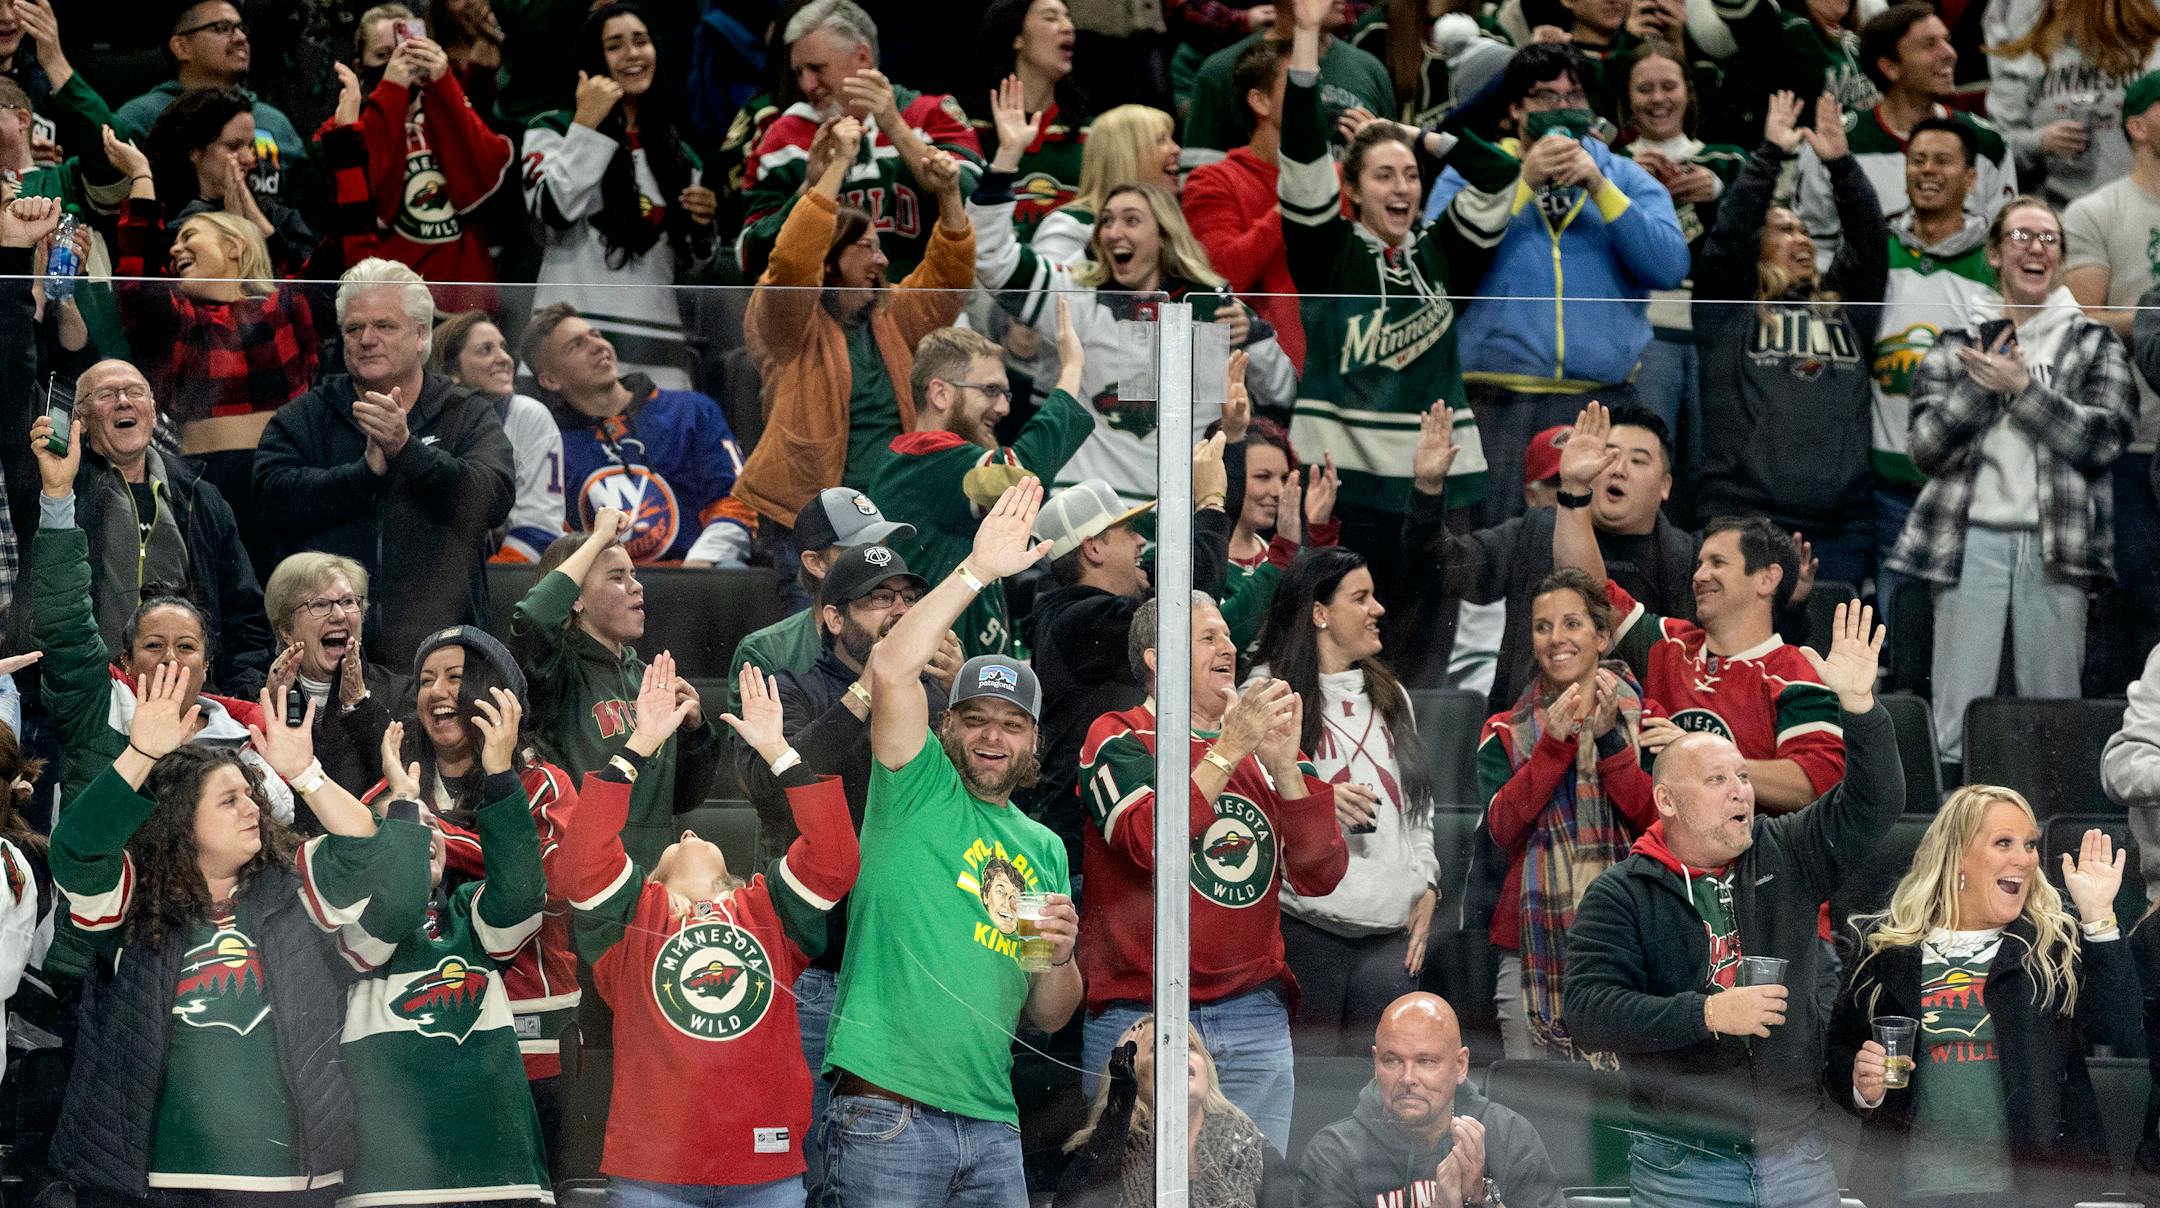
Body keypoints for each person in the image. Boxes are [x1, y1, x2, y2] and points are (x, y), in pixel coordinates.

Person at [46, 662, 430, 1208]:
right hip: (164, 1182)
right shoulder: (136, 902)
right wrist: (140, 756)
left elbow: (377, 858)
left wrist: (307, 775)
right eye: (229, 800)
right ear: (180, 820)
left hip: (290, 1182)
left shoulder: (296, 889)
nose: (253, 807)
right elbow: (75, 851)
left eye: (249, 795)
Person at [1564, 603, 1899, 1208]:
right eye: (1717, 780)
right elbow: (1589, 1011)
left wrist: (1860, 709)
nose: (1741, 790)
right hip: (1682, 1168)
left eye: (1742, 776)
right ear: (1666, 799)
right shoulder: (1622, 893)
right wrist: (1708, 1015)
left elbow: (1874, 806)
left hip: (1795, 1160)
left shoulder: (1788, 851)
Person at [816, 479, 1079, 1205]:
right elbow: (893, 666)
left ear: (1033, 745)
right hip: (888, 1114)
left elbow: (1050, 1012)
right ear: (947, 728)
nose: (992, 735)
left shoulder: (1042, 847)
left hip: (993, 1124)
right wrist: (979, 570)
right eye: (976, 718)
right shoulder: (916, 784)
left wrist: (1059, 956)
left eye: (1012, 724)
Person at [561, 657, 860, 1207]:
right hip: (654, 1172)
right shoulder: (632, 917)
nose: (690, 828)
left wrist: (779, 751)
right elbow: (580, 863)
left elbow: (837, 859)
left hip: (763, 1169)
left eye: (695, 832)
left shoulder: (769, 908)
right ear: (649, 875)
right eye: (677, 837)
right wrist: (639, 746)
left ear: (734, 875)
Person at [1076, 594, 1347, 1150]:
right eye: (1207, 638)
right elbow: (1150, 841)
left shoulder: (1261, 744)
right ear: (1156, 658)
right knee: (1132, 1190)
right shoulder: (1118, 736)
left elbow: (1322, 874)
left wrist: (1285, 769)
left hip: (1252, 1015)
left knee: (1251, 1190)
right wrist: (1229, 747)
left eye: (1227, 636)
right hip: (1141, 1013)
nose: (1228, 648)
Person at [1884, 195, 2134, 772]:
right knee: (1956, 716)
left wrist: (2024, 391)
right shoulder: (1956, 344)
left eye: (2049, 238)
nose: (2035, 248)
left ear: (2063, 258)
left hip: (2057, 548)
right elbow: (1924, 449)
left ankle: (2051, 843)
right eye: (2021, 236)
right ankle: (1951, 836)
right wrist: (1983, 387)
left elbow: (2106, 440)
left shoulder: (2090, 342)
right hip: (1968, 542)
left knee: (2054, 717)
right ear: (1995, 253)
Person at [1279, 0, 1520, 563]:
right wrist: (1308, 39)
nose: (1402, 188)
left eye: (1410, 176)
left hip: (1438, 481)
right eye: (1384, 175)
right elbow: (1301, 151)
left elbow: (1500, 174)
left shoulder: (1442, 252)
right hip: (1345, 483)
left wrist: (1413, 136)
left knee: (1428, 641)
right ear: (1354, 191)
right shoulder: (1329, 252)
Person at [1830, 791, 2139, 1207]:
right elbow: (1838, 1057)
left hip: (2034, 1192)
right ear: (1957, 856)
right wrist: (1861, 1085)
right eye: (2003, 843)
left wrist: (2099, 918)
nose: (2025, 859)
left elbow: (2117, 1028)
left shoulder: (2049, 947)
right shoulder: (1884, 952)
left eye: (2029, 844)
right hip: (1909, 1191)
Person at [1430, 41, 1691, 530]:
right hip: (1495, 401)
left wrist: (1599, 186)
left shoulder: (1623, 177)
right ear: (1515, 109)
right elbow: (1440, 260)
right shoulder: (1470, 170)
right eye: (1546, 98)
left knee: (1598, 556)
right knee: (1496, 548)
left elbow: (1669, 265)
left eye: (1573, 98)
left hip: (1603, 401)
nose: (1563, 110)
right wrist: (1522, 182)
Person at [322, 692, 553, 1208]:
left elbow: (521, 895)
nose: (422, 835)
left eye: (429, 823)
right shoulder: (347, 925)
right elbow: (393, 909)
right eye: (402, 826)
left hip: (502, 1176)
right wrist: (400, 805)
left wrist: (499, 777)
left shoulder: (469, 913)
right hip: (389, 1187)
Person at [1556, 406, 1845, 813]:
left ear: (1767, 579)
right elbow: (1585, 595)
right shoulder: (1670, 643)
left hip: (1754, 864)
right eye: (1701, 563)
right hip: (1659, 856)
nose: (1700, 575)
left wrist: (1693, 753)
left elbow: (1814, 783)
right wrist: (1573, 492)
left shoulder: (1795, 671)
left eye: (1718, 564)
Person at [252, 258, 515, 669]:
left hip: (442, 658)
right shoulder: (303, 417)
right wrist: (363, 475)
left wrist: (407, 450)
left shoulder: (467, 413)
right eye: (354, 328)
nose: (366, 339)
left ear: (420, 334)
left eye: (384, 326)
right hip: (327, 658)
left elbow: (492, 497)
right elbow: (271, 498)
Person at [973, 165, 1295, 498]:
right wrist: (1003, 167)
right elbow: (991, 258)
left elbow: (1282, 391)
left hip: (1179, 513)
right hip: (1088, 508)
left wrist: (1255, 336)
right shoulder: (1079, 294)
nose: (1113, 232)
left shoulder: (1214, 307)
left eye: (1131, 220)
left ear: (1164, 234)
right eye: (1107, 221)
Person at [27, 410, 290, 815]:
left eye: (186, 646)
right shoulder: (95, 708)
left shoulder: (249, 740)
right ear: (126, 662)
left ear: (207, 667)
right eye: (153, 645)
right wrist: (58, 493)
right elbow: (63, 619)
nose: (170, 657)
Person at [737, 112, 973, 524]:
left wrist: (950, 194)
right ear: (830, 260)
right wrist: (835, 168)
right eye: (867, 246)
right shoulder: (787, 323)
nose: (881, 260)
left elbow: (947, 280)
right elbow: (793, 259)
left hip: (893, 510)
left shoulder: (889, 312)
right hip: (811, 521)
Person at [1247, 547, 1437, 1057]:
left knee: (1381, 1102)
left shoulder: (1392, 693)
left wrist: (1429, 883)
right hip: (1307, 935)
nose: (1378, 608)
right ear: (1319, 613)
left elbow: (1419, 812)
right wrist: (1318, 802)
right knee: (1310, 1098)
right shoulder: (1266, 691)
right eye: (1361, 597)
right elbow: (1242, 806)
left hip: (1391, 942)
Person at [1694, 90, 1888, 587]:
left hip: (1841, 526)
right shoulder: (1727, 307)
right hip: (1744, 519)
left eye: (1804, 230)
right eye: (1783, 230)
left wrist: (1841, 164)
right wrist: (1769, 156)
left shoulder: (1843, 307)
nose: (1801, 239)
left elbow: (1868, 240)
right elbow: (1732, 234)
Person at [1407, 401, 1700, 713]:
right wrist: (1428, 488)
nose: (1619, 469)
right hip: (1531, 730)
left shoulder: (1689, 559)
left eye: (1638, 461)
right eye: (1609, 455)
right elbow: (1439, 568)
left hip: (1645, 731)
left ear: (1665, 486)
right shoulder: (1536, 532)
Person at [1023, 448, 1233, 867]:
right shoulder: (1081, 618)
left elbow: (1171, 583)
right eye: (1127, 531)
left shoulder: (1075, 614)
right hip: (1090, 856)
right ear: (1093, 549)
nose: (1141, 541)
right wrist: (1210, 504)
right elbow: (1185, 606)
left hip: (1115, 841)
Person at [1477, 568, 1654, 1061]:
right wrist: (1553, 747)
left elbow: (1658, 822)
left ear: (1601, 636)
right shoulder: (1504, 731)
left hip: (1631, 939)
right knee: (1533, 1114)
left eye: (1572, 624)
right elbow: (1502, 827)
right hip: (1531, 949)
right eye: (1542, 627)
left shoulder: (1650, 717)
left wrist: (1612, 742)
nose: (1556, 639)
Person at [21, 357, 274, 699]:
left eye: (135, 392)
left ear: (153, 413)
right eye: (107, 394)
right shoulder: (55, 488)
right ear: (79, 419)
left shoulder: (200, 496)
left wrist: (237, 697)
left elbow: (245, 617)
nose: (124, 401)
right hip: (88, 704)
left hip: (191, 703)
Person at [102, 126, 318, 517]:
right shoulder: (182, 321)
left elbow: (328, 268)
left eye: (189, 235)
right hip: (199, 483)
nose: (175, 248)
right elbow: (139, 282)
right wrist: (140, 176)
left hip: (284, 477)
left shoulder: (284, 306)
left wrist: (251, 217)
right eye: (173, 243)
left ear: (235, 246)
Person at [867, 315, 1095, 657]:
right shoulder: (926, 460)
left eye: (1005, 393)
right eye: (990, 391)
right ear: (940, 393)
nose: (1004, 407)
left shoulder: (925, 462)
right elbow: (1020, 474)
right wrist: (1073, 368)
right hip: (929, 682)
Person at [522, 2, 717, 389]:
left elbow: (692, 268)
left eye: (641, 41)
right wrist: (586, 124)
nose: (632, 54)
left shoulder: (678, 153)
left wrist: (703, 227)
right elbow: (553, 210)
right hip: (570, 351)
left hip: (657, 351)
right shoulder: (553, 130)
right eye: (614, 45)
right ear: (594, 59)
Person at [511, 509, 719, 868]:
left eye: (634, 575)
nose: (637, 586)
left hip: (653, 880)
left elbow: (684, 798)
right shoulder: (557, 670)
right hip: (583, 873)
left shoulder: (649, 679)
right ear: (575, 597)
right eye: (617, 577)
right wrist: (597, 537)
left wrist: (695, 732)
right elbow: (532, 619)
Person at [740, 0, 984, 279]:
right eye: (799, 72)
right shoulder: (784, 136)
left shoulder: (931, 115)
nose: (806, 85)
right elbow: (750, 257)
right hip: (818, 316)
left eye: (817, 68)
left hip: (923, 309)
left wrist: (895, 127)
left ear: (863, 57)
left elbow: (978, 215)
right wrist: (809, 191)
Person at [1870, 116, 1999, 612]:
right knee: (1892, 624)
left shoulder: (1994, 263)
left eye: (1943, 161)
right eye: (1917, 160)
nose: (1927, 171)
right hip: (1883, 479)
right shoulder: (1878, 250)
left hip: (1963, 481)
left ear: (1971, 178)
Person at [518, 303, 753, 566]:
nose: (598, 345)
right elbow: (554, 534)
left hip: (696, 573)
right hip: (603, 591)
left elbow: (736, 500)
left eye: (595, 334)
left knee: (731, 571)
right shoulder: (552, 443)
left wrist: (700, 564)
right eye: (576, 346)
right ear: (550, 380)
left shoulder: (692, 411)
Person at [318, 6, 515, 316]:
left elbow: (485, 177)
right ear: (360, 67)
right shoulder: (345, 129)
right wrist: (392, 91)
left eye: (409, 51)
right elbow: (372, 206)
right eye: (384, 56)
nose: (400, 63)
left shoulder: (446, 106)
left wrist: (444, 80)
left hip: (468, 308)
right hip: (397, 311)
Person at [2064, 73, 2160, 694]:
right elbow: (2079, 319)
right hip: (2129, 441)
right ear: (2137, 125)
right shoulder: (2096, 211)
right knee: (2141, 599)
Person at [1792, 4, 2017, 270]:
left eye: (1947, 41)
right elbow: (1818, 244)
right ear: (1889, 67)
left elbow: (2004, 246)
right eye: (1929, 45)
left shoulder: (1988, 144)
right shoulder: (1836, 143)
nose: (1950, 54)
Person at [1615, 40, 1746, 486]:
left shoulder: (1726, 161)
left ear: (1688, 91)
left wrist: (1720, 191)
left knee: (1714, 468)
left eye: (1668, 86)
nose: (1657, 99)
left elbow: (1763, 222)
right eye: (1644, 88)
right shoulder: (1611, 167)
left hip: (1719, 336)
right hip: (1645, 330)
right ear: (1626, 99)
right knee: (1650, 464)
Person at [1299, 992, 1567, 1208]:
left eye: (1426, 1061)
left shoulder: (1507, 1134)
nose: (1407, 1078)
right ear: (1375, 1061)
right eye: (1392, 1060)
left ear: (1460, 1065)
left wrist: (1478, 1199)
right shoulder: (1334, 1154)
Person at [1053, 1015, 1296, 1207]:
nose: (1179, 1055)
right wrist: (1121, 1103)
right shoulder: (1099, 1151)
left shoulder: (1253, 1148)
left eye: (1190, 1046)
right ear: (1131, 1069)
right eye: (1159, 1047)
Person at [725, 487, 916, 715]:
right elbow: (762, 748)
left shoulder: (925, 643)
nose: (876, 564)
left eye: (880, 548)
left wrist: (954, 687)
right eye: (858, 551)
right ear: (815, 562)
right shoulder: (767, 652)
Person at [113, 0, 311, 209]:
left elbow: (305, 210)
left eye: (241, 29)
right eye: (222, 28)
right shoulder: (140, 117)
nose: (241, 38)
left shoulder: (276, 122)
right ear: (181, 47)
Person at [1182, 38, 1303, 372]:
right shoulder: (1213, 181)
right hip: (1255, 383)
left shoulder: (1335, 180)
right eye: (1298, 83)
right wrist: (1294, 203)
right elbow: (1220, 277)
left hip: (1336, 381)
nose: (1313, 96)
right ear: (1260, 101)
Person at [1987, 0, 2160, 207]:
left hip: (2141, 206)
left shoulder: (2151, 56)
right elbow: (1993, 148)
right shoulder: (2026, 62)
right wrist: (2038, 142)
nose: (2057, 4)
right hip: (2054, 213)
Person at [429, 310, 566, 565]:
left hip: (509, 574)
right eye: (486, 350)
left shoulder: (527, 415)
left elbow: (539, 526)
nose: (504, 358)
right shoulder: (430, 421)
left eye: (503, 348)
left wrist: (494, 580)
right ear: (452, 371)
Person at [1179, 9, 1393, 171]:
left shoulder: (1370, 68)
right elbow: (1199, 191)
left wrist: (1373, 150)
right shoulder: (1221, 71)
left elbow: (1396, 170)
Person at [260, 552, 396, 799]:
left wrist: (359, 706)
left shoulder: (399, 693)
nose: (339, 615)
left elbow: (402, 780)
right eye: (320, 604)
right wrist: (267, 711)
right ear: (287, 631)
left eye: (348, 602)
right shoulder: (261, 701)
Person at [141, 86, 316, 276]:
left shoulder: (280, 218)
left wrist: (258, 224)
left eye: (250, 146)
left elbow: (311, 286)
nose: (249, 159)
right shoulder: (166, 226)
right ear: (193, 150)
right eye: (234, 146)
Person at [972, 0, 1089, 244]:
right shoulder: (971, 131)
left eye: (1068, 17)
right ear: (1017, 38)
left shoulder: (1094, 134)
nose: (1068, 27)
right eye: (1051, 18)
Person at [1025, 101, 1181, 265]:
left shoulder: (1172, 223)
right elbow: (1048, 290)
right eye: (1161, 140)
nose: (1176, 149)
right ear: (1126, 157)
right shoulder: (1072, 226)